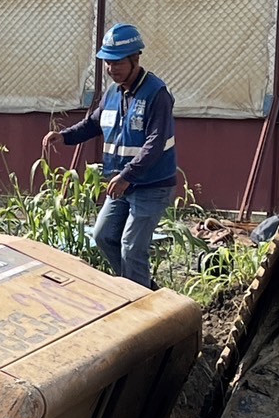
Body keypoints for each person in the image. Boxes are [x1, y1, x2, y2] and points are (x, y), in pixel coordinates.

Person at [42, 23, 177, 288]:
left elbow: (155, 142)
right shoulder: (113, 93)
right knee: (103, 236)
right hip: (123, 184)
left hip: (151, 185)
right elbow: (93, 123)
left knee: (131, 247)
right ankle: (141, 289)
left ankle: (138, 303)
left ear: (135, 59)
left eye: (117, 63)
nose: (111, 68)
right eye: (107, 63)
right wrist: (65, 136)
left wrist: (127, 175)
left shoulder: (156, 94)